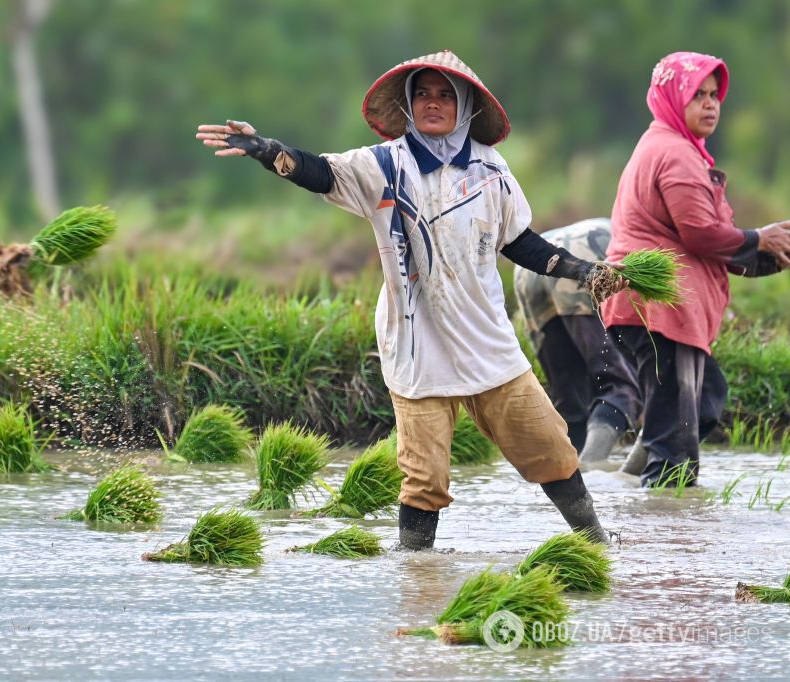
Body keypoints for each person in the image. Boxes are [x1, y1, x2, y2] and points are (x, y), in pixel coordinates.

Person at [196, 50, 626, 548]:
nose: (433, 103)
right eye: (423, 93)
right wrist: (265, 148)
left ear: (464, 106)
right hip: (417, 344)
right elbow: (319, 172)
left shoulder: (491, 171)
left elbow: (519, 242)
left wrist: (583, 271)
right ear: (408, 103)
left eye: (446, 95)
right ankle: (416, 573)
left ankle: (596, 542)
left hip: (487, 342)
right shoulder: (384, 166)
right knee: (424, 480)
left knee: (551, 448)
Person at [602, 51, 790, 488]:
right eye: (698, 95)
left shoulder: (670, 147)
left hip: (658, 309)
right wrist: (758, 238)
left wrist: (768, 257)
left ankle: (630, 479)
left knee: (705, 398)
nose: (711, 104)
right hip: (660, 310)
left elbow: (701, 242)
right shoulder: (674, 154)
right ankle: (670, 542)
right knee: (677, 448)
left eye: (715, 95)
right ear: (673, 97)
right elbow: (699, 233)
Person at [513, 218, 642, 465]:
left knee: (569, 396)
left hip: (531, 266)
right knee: (619, 387)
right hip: (582, 257)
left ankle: (568, 474)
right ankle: (590, 468)